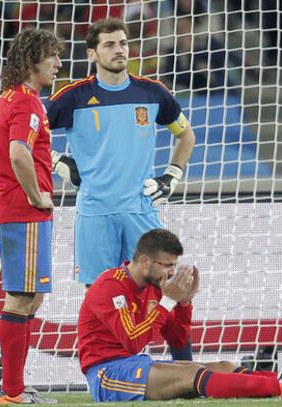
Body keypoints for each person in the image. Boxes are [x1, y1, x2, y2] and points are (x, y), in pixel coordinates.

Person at [47, 17, 195, 361]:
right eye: (110, 45)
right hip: (95, 210)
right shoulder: (72, 97)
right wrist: (59, 163)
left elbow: (185, 134)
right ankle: (105, 367)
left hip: (139, 208)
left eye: (123, 43)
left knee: (166, 284)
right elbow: (30, 136)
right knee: (100, 292)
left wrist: (172, 174)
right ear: (93, 54)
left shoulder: (152, 92)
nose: (119, 50)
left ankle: (184, 365)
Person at [78, 228, 282, 402]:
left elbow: (178, 345)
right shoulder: (110, 286)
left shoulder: (155, 287)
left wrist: (183, 304)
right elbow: (132, 341)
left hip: (136, 364)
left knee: (223, 367)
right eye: (167, 265)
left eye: (174, 265)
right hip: (106, 375)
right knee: (193, 374)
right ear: (145, 261)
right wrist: (169, 300)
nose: (171, 272)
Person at [0, 28, 63, 405]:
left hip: (9, 208)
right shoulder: (29, 103)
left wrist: (4, 186)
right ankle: (12, 391)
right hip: (23, 212)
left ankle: (14, 387)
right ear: (33, 58)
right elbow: (18, 153)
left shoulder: (7, 99)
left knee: (30, 298)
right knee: (22, 297)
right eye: (52, 55)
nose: (58, 63)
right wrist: (37, 197)